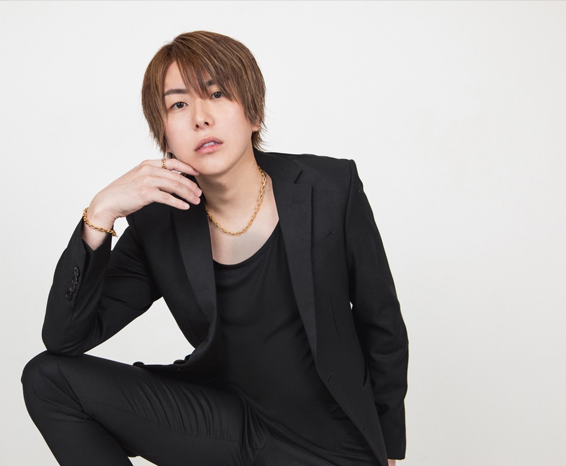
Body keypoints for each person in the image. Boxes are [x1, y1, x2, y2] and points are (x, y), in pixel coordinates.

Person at [22, 31, 408, 466]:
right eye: (178, 105)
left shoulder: (329, 188)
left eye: (217, 94)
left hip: (333, 444)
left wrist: (388, 451)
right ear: (164, 136)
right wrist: (101, 212)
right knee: (47, 379)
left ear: (253, 113)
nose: (200, 118)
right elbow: (65, 338)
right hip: (229, 428)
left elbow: (383, 324)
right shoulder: (159, 224)